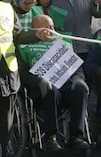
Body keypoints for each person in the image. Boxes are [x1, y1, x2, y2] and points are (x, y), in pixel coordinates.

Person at [16, 15, 90, 151]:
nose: (51, 30)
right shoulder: (24, 46)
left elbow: (76, 68)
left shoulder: (63, 44)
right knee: (51, 89)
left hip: (64, 87)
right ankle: (51, 137)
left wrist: (79, 79)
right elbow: (23, 74)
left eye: (51, 26)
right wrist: (40, 82)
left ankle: (76, 136)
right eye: (46, 27)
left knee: (80, 90)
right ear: (35, 30)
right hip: (41, 90)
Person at [0, 2, 53, 156]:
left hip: (7, 74)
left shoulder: (6, 8)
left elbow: (17, 35)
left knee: (5, 125)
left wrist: (35, 34)